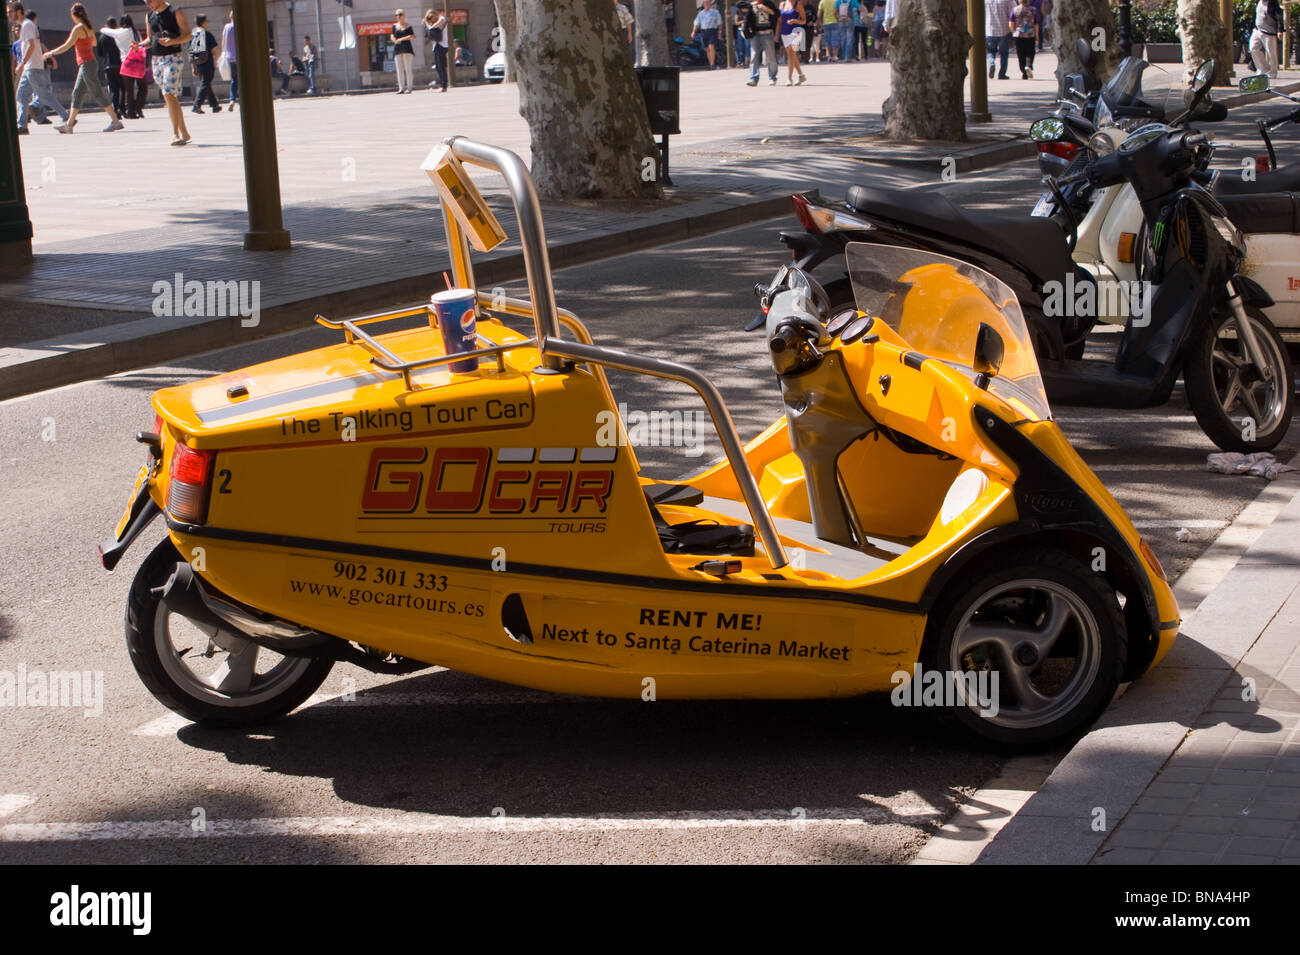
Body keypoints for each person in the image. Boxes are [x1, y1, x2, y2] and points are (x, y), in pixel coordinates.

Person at [41, 3, 125, 132]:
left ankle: (115, 121)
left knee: (97, 92)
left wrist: (50, 53)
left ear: (74, 15)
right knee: (77, 93)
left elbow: (67, 45)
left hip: (86, 64)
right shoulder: (88, 26)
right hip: (88, 63)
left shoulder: (78, 28)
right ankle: (69, 125)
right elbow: (94, 43)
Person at [10, 3, 69, 135]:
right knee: (21, 95)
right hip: (29, 67)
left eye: (11, 12)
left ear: (18, 11)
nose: (9, 15)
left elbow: (31, 45)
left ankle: (67, 118)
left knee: (44, 95)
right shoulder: (27, 25)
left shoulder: (26, 25)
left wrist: (21, 63)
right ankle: (22, 126)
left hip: (32, 67)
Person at [142, 0, 192, 145]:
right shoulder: (149, 15)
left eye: (149, 1)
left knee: (168, 93)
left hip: (174, 57)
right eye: (145, 1)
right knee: (171, 98)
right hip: (156, 59)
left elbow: (188, 35)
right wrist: (139, 45)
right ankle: (185, 133)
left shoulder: (175, 11)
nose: (147, 4)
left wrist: (172, 41)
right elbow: (149, 39)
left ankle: (175, 134)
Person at [189, 13, 219, 112]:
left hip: (198, 63)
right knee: (205, 83)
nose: (208, 22)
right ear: (203, 22)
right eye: (207, 21)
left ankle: (215, 105)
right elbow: (214, 50)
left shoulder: (193, 35)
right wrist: (220, 60)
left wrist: (193, 67)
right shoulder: (207, 34)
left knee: (206, 83)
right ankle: (197, 105)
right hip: (207, 62)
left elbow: (191, 53)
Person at [745, 0, 779, 85]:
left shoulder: (769, 4)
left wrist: (766, 8)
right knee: (754, 56)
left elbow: (776, 14)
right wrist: (751, 5)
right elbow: (740, 5)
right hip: (756, 34)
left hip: (767, 33)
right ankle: (753, 78)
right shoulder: (751, 5)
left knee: (770, 56)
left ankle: (772, 77)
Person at [1250, 0, 1282, 78]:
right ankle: (1262, 69)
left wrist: (1280, 30)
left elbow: (1279, 17)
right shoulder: (1258, 3)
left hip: (1269, 32)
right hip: (1257, 30)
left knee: (1271, 53)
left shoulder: (1272, 3)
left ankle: (1272, 72)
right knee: (1253, 48)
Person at [98, 15, 122, 114]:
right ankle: (123, 108)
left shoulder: (102, 37)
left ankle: (115, 110)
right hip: (119, 64)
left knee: (113, 89)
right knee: (123, 88)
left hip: (108, 66)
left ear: (106, 25)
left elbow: (99, 53)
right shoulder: (118, 35)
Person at [779, 0, 807, 84]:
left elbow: (804, 20)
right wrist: (777, 34)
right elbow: (779, 20)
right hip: (784, 33)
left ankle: (789, 78)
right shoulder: (782, 4)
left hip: (795, 31)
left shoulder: (798, 4)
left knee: (791, 52)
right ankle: (801, 75)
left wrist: (796, 21)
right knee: (792, 55)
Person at [985, 0, 1013, 80]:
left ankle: (991, 63)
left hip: (990, 30)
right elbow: (1013, 12)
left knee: (990, 51)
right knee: (1004, 53)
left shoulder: (987, 1)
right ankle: (1002, 74)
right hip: (1004, 30)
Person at [692, 0, 722, 68]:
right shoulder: (700, 13)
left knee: (712, 46)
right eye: (705, 3)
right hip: (704, 31)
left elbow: (719, 22)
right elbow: (696, 23)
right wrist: (693, 31)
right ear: (703, 4)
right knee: (707, 48)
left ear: (710, 4)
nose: (707, 4)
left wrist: (720, 31)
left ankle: (712, 64)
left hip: (712, 30)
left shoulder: (715, 12)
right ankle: (710, 63)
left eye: (708, 3)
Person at [1010, 0, 1036, 79]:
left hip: (1018, 34)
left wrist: (1013, 32)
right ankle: (1028, 65)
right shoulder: (1033, 10)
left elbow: (1011, 23)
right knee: (1030, 52)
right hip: (1030, 34)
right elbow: (1036, 23)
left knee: (1021, 54)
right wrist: (1037, 35)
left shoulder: (1015, 10)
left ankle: (1024, 72)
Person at [423, 9, 447, 92]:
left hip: (442, 45)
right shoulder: (434, 22)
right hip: (436, 45)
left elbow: (441, 21)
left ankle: (444, 85)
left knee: (441, 66)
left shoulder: (441, 19)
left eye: (431, 18)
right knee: (438, 67)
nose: (431, 20)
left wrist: (431, 26)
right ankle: (442, 84)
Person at [391, 9, 414, 93]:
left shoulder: (408, 26)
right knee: (399, 70)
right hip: (398, 49)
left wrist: (401, 39)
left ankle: (409, 88)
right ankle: (401, 88)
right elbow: (392, 35)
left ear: (404, 15)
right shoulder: (394, 26)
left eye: (400, 14)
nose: (398, 16)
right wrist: (394, 40)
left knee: (407, 69)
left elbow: (412, 36)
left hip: (407, 49)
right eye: (396, 15)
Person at [220, 8, 235, 108]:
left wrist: (223, 53)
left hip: (230, 57)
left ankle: (232, 99)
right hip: (240, 57)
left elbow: (223, 42)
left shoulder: (227, 27)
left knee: (234, 79)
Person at [733, 1, 751, 66]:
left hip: (748, 30)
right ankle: (741, 61)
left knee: (747, 46)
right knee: (740, 46)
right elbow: (736, 22)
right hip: (740, 30)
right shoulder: (738, 12)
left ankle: (747, 62)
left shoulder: (749, 11)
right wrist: (744, 21)